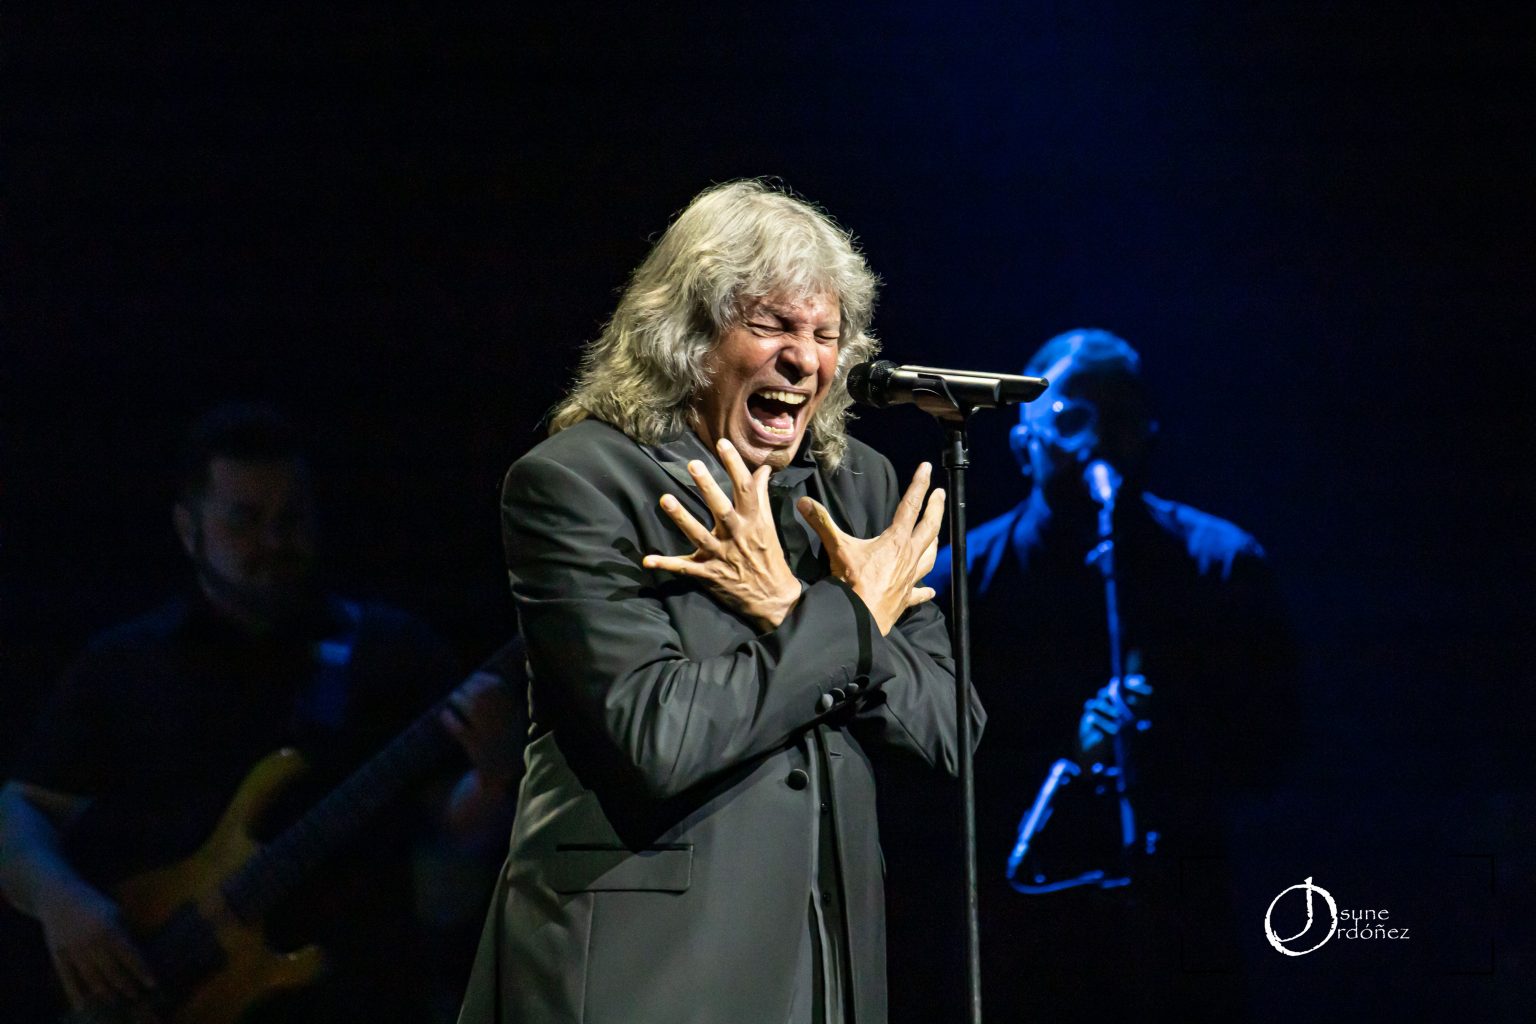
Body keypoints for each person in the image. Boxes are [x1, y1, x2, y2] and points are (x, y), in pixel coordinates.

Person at [457, 180, 982, 1024]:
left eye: (824, 335)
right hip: (646, 971)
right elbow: (656, 735)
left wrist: (786, 607)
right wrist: (842, 621)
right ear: (689, 338)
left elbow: (950, 733)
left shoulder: (860, 489)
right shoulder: (581, 482)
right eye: (771, 325)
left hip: (830, 969)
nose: (804, 359)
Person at [0, 402, 521, 1024]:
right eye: (244, 521)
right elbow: (21, 806)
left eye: (291, 518)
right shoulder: (122, 664)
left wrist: (495, 776)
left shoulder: (394, 651)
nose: (274, 542)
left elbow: (453, 847)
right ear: (188, 530)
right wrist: (62, 902)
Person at [920, 328, 1299, 1022]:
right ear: (1022, 441)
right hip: (1022, 935)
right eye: (1068, 418)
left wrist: (1177, 736)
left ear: (1147, 427)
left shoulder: (1223, 566)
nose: (1095, 441)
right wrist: (1063, 756)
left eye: (1117, 415)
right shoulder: (959, 585)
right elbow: (923, 780)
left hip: (1181, 927)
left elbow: (1273, 756)